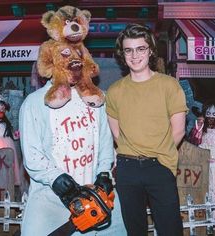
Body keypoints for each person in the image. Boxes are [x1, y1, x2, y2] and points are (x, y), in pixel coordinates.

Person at [106, 23, 188, 236]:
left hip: (160, 166)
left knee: (170, 230)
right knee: (135, 231)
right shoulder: (114, 92)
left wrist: (162, 160)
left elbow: (178, 130)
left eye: (140, 48)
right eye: (128, 50)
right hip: (127, 169)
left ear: (150, 50)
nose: (134, 55)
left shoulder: (169, 86)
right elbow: (116, 134)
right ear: (122, 54)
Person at [19, 79, 127, 236]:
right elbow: (32, 154)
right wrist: (56, 178)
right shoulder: (35, 102)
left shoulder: (97, 99)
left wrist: (104, 172)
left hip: (96, 197)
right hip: (51, 199)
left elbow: (105, 143)